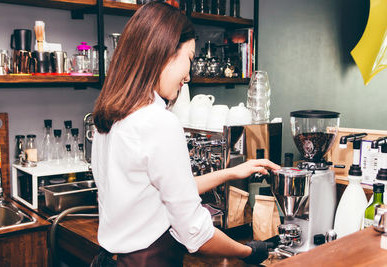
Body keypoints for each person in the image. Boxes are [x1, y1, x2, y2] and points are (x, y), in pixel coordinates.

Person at [91, 1, 280, 266]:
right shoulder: (159, 122)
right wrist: (250, 251)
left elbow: (157, 192)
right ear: (164, 52)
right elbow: (196, 234)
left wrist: (231, 172)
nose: (188, 76)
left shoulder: (108, 116)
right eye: (189, 59)